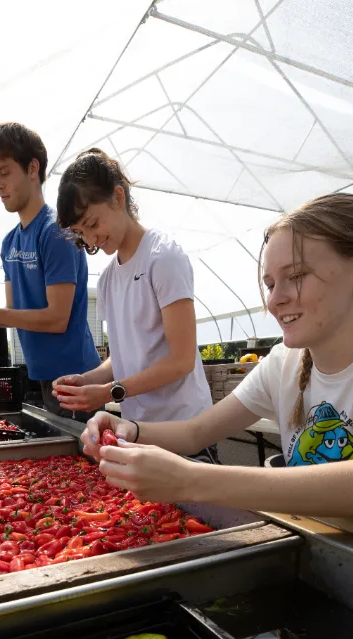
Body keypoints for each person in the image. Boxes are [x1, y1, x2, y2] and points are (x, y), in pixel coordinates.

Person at [81, 193, 353, 521]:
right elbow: (196, 433)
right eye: (270, 284)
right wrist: (128, 430)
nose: (275, 299)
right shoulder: (283, 364)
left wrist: (190, 479)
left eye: (297, 276)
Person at [51, 149, 216, 462]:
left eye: (92, 223)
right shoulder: (110, 278)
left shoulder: (162, 257)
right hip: (139, 435)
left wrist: (109, 392)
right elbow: (124, 356)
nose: (90, 240)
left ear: (117, 197)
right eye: (81, 233)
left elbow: (181, 360)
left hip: (185, 435)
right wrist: (86, 381)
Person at [0, 122, 100, 422]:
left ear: (32, 169)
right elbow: (13, 313)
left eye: (4, 173)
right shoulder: (10, 242)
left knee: (83, 463)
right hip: (43, 377)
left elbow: (56, 318)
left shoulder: (56, 232)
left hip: (78, 378)